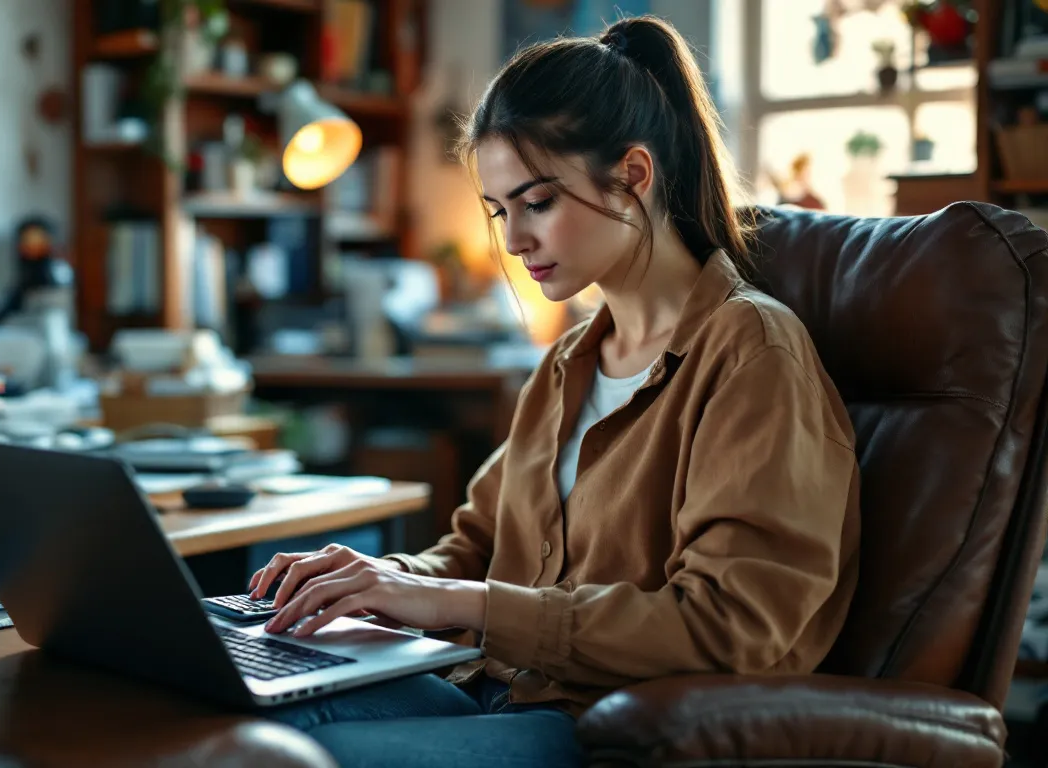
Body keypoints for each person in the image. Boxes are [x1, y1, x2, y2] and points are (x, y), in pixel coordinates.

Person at [249, 16, 861, 768]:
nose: (513, 240)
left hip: (604, 729)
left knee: (287, 755)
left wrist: (457, 604)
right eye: (501, 210)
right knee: (241, 705)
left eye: (536, 203)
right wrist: (376, 581)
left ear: (634, 175)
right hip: (495, 695)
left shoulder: (750, 351)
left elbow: (732, 626)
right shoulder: (570, 360)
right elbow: (475, 548)